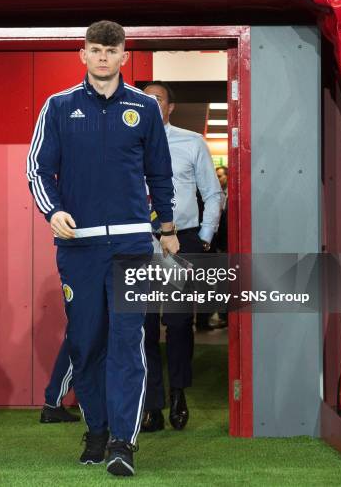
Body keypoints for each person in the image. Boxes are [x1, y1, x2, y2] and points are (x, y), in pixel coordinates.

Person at [26, 21, 178, 477]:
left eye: (111, 51)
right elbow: (37, 169)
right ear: (83, 55)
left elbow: (161, 174)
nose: (103, 58)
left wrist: (166, 227)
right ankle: (97, 429)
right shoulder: (58, 107)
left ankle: (122, 443)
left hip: (133, 243)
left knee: (129, 344)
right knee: (87, 343)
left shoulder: (145, 108)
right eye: (95, 50)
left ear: (123, 56)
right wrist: (52, 211)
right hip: (80, 248)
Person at [140, 81, 222, 432]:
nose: (148, 103)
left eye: (156, 98)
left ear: (170, 107)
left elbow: (212, 192)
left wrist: (204, 237)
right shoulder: (127, 141)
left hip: (181, 241)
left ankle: (178, 393)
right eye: (143, 98)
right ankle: (151, 403)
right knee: (142, 327)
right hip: (138, 244)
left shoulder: (191, 142)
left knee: (176, 324)